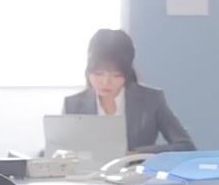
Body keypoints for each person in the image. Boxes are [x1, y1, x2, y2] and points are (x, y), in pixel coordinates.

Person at [63, 29, 195, 154]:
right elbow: (60, 150)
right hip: (88, 170)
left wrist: (137, 154)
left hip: (136, 169)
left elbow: (185, 146)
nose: (106, 82)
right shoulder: (72, 105)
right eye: (98, 74)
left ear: (127, 73)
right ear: (88, 72)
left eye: (116, 75)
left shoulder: (151, 99)